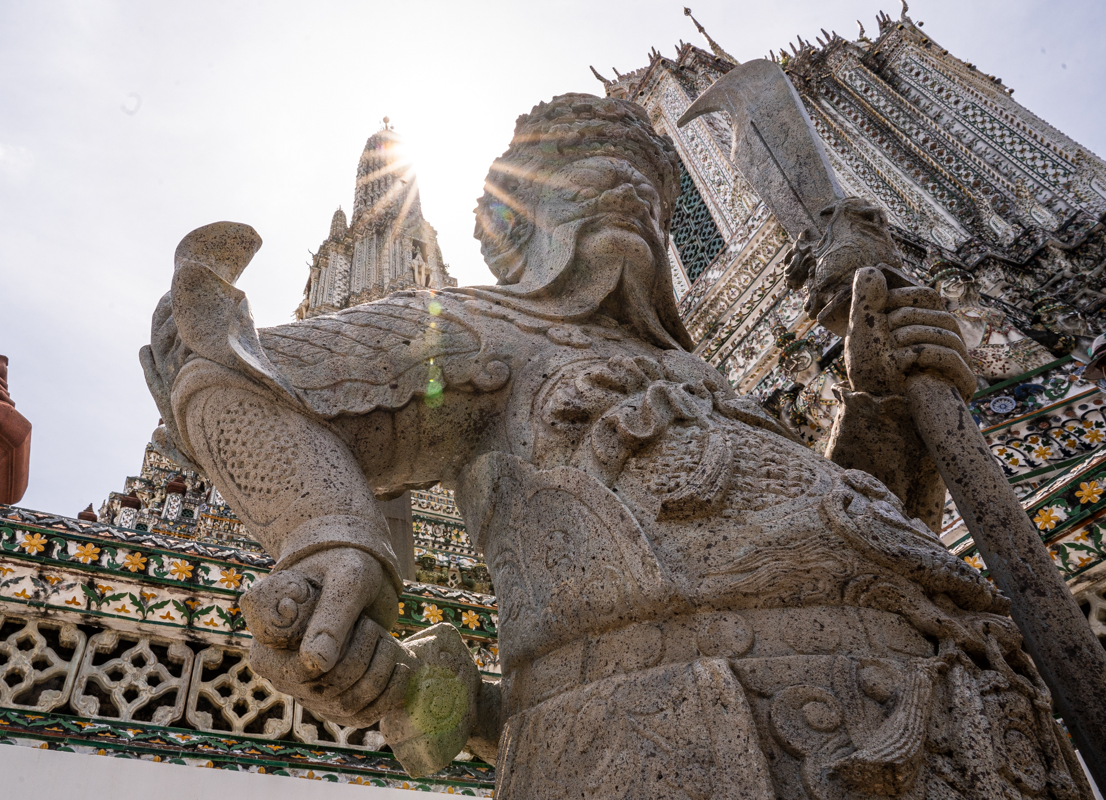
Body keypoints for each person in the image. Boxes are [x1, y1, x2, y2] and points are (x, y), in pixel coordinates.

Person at [141, 94, 1091, 799]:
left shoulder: (715, 389)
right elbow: (223, 366)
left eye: (651, 185)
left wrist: (881, 397)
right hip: (693, 742)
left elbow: (867, 531)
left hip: (970, 738)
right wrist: (329, 532)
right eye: (590, 176)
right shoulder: (479, 333)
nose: (631, 194)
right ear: (506, 229)